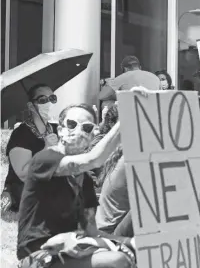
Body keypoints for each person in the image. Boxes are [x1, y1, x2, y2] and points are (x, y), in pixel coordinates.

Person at [16, 91, 147, 268]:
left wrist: (131, 243)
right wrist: (128, 114)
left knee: (138, 254)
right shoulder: (45, 159)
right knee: (118, 261)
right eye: (71, 124)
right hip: (38, 257)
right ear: (60, 130)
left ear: (93, 135)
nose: (78, 131)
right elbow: (93, 159)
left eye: (86, 128)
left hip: (70, 250)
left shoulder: (83, 179)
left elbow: (92, 231)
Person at [1, 84, 58, 212]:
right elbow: (23, 174)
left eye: (52, 98)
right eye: (43, 100)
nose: (49, 103)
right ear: (31, 106)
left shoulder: (56, 130)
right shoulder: (21, 134)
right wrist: (46, 150)